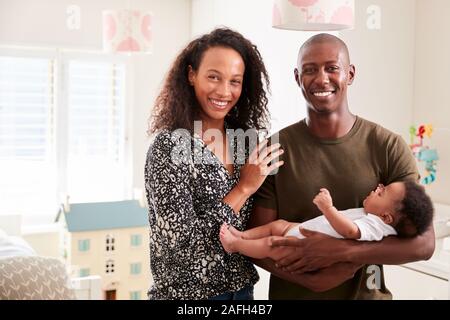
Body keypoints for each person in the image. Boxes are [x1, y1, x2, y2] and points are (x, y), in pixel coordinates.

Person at [248, 33, 436, 299]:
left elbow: (424, 244)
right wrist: (312, 281)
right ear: (296, 77)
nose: (322, 78)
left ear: (350, 74)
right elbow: (255, 239)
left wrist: (342, 252)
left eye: (332, 68)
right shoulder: (273, 149)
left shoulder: (387, 146)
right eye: (310, 69)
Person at [145, 28, 284, 300]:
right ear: (191, 75)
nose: (224, 91)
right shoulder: (169, 147)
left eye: (235, 81)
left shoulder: (245, 142)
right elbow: (179, 251)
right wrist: (243, 188)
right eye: (213, 77)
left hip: (243, 293)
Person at [220, 181, 433, 260]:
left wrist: (327, 208)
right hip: (303, 230)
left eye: (382, 192)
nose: (377, 187)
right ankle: (243, 235)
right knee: (278, 225)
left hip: (302, 246)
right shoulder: (374, 215)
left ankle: (235, 245)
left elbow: (350, 231)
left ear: (387, 217)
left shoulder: (376, 226)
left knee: (271, 244)